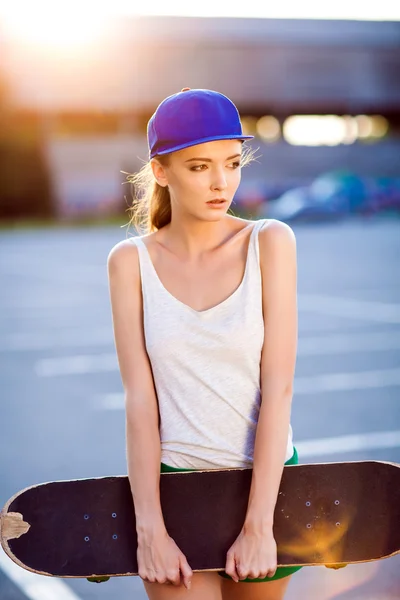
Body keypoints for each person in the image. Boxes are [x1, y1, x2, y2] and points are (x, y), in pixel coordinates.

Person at [107, 88, 301, 600]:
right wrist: (149, 527)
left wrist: (259, 525)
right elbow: (139, 401)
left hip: (265, 488)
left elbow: (278, 389)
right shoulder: (130, 263)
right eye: (199, 167)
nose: (222, 183)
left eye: (233, 163)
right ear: (161, 171)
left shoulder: (270, 242)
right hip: (175, 492)